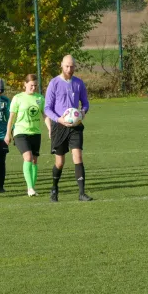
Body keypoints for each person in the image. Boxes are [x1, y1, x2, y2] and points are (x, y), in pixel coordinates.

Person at [44, 55, 93, 202]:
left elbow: (85, 103)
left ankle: (82, 193)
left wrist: (82, 113)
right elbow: (47, 108)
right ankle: (54, 189)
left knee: (77, 156)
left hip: (75, 126)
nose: (69, 69)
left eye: (72, 66)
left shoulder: (79, 83)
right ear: (61, 65)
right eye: (67, 66)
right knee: (60, 162)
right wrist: (59, 119)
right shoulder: (54, 83)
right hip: (59, 126)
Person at [5, 74, 50, 197]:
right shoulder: (18, 98)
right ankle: (30, 188)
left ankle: (32, 187)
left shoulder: (40, 98)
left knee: (34, 160)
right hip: (20, 132)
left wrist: (50, 129)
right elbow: (11, 119)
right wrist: (8, 134)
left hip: (35, 133)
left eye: (35, 85)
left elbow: (44, 115)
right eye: (31, 85)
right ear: (24, 84)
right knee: (28, 158)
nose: (33, 88)